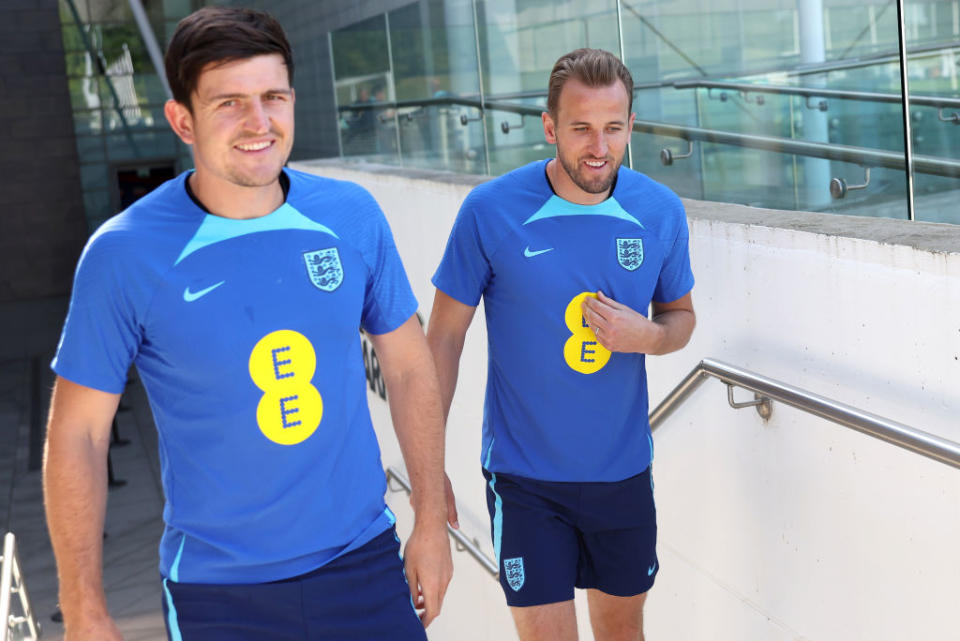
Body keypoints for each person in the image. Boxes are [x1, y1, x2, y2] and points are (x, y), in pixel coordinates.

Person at [43, 7, 451, 641]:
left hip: (364, 564)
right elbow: (78, 436)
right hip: (219, 594)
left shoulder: (350, 216)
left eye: (273, 97)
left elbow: (406, 364)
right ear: (183, 119)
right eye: (230, 102)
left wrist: (429, 520)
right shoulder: (124, 253)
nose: (259, 123)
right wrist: (84, 608)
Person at [427, 48, 696, 641]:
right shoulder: (490, 211)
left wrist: (645, 336)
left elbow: (680, 319)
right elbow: (443, 338)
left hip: (622, 472)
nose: (598, 146)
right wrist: (429, 467)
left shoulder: (659, 211)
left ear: (631, 128)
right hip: (524, 480)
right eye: (581, 128)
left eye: (613, 128)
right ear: (550, 127)